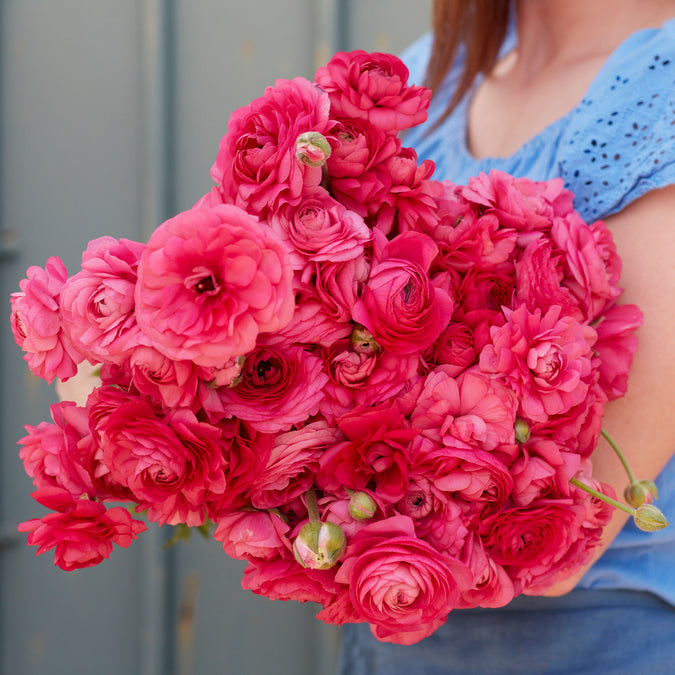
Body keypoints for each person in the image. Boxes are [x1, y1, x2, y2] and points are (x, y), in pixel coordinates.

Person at [337, 1, 675, 672]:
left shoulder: (657, 93)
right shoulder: (424, 78)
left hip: (595, 644)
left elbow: (569, 529)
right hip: (391, 636)